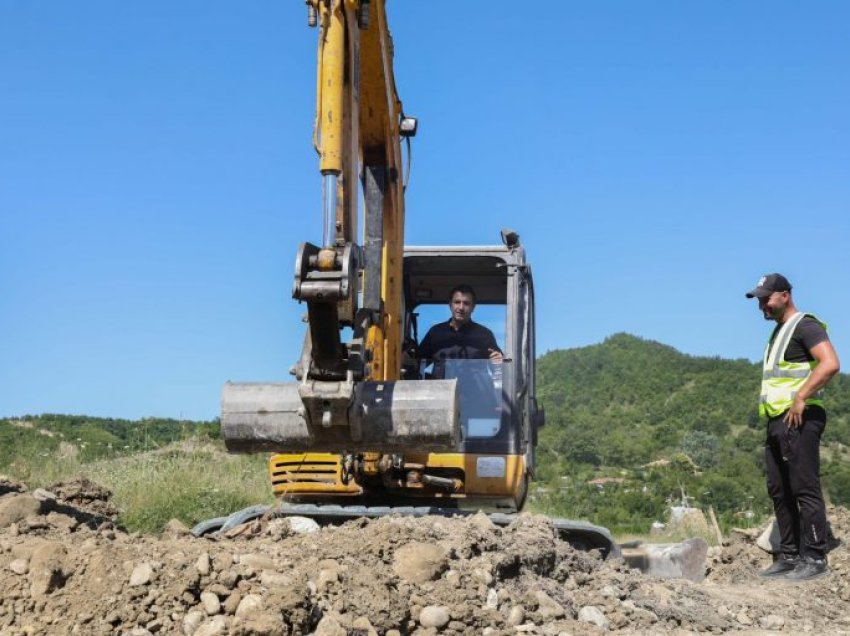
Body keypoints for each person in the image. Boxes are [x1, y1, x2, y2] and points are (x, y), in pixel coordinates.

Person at [746, 273, 840, 581]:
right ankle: (788, 556)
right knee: (778, 489)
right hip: (778, 420)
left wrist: (801, 396)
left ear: (785, 295)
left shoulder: (805, 326)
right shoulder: (778, 332)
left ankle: (814, 557)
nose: (762, 304)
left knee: (803, 487)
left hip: (800, 417)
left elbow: (830, 363)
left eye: (766, 298)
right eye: (759, 298)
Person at [418, 285, 503, 418]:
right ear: (450, 305)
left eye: (466, 303)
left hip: (477, 403)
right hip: (440, 402)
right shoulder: (436, 333)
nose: (461, 307)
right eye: (457, 302)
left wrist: (498, 361)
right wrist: (407, 358)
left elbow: (498, 368)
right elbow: (418, 362)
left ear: (473, 307)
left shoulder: (484, 335)